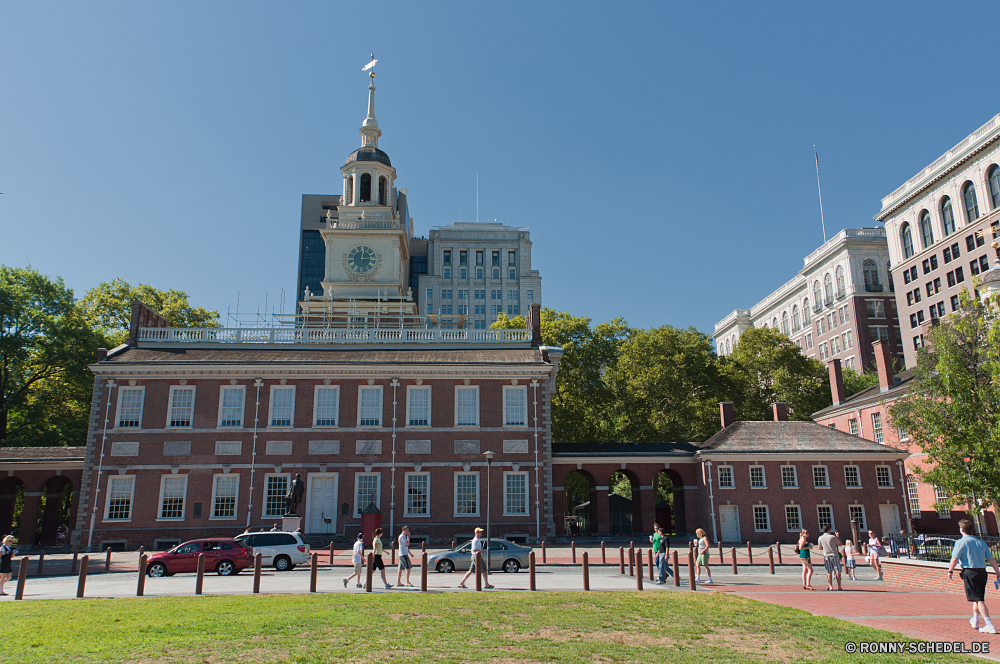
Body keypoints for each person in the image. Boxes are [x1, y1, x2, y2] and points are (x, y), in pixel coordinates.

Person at [947, 518, 1000, 634]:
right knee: (977, 598)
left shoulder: (960, 542)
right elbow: (991, 559)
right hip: (982, 573)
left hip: (970, 572)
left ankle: (989, 624)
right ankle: (975, 621)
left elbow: (954, 558)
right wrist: (997, 573)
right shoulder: (981, 543)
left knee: (978, 599)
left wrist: (950, 570)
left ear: (961, 530)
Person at [816, 526, 843, 591]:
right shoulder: (832, 537)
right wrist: (838, 536)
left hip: (826, 555)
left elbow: (819, 547)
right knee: (837, 571)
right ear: (829, 530)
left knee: (829, 571)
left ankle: (830, 586)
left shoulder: (820, 537)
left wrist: (824, 548)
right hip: (834, 555)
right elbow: (840, 544)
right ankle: (839, 586)